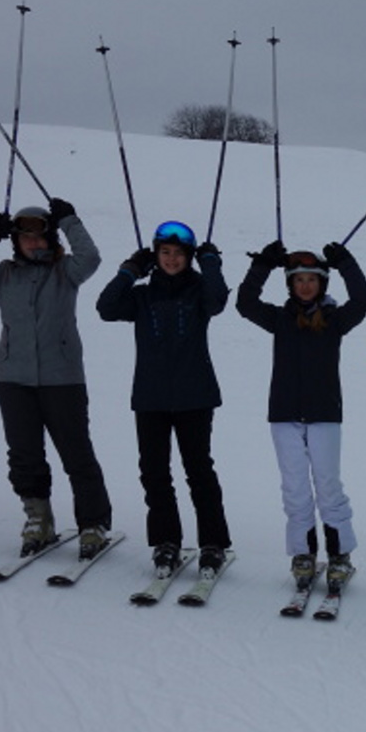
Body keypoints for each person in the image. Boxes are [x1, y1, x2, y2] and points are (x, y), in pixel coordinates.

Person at [0, 198, 113, 560]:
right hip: (13, 379)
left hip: (63, 378)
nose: (33, 242)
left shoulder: (65, 271)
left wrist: (70, 220)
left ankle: (93, 523)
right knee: (24, 454)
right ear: (16, 241)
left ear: (50, 237)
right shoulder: (4, 274)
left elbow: (91, 258)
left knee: (77, 454)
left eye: (39, 236)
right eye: (25, 237)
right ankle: (38, 518)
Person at [95, 221, 232, 581]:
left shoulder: (200, 292)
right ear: (155, 256)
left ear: (190, 257)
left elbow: (218, 301)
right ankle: (166, 541)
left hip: (195, 396)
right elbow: (105, 307)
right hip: (151, 398)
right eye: (165, 252)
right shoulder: (141, 296)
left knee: (199, 471)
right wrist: (129, 270)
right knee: (154, 472)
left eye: (179, 253)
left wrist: (211, 262)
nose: (172, 259)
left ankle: (213, 543)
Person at [235, 240, 366, 592]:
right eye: (299, 280)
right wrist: (263, 265)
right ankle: (303, 553)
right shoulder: (280, 319)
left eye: (312, 279)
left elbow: (363, 302)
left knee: (328, 486)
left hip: (324, 414)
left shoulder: (334, 320)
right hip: (284, 415)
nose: (306, 285)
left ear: (322, 283)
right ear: (290, 284)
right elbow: (245, 304)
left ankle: (339, 554)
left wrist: (346, 262)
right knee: (295, 488)